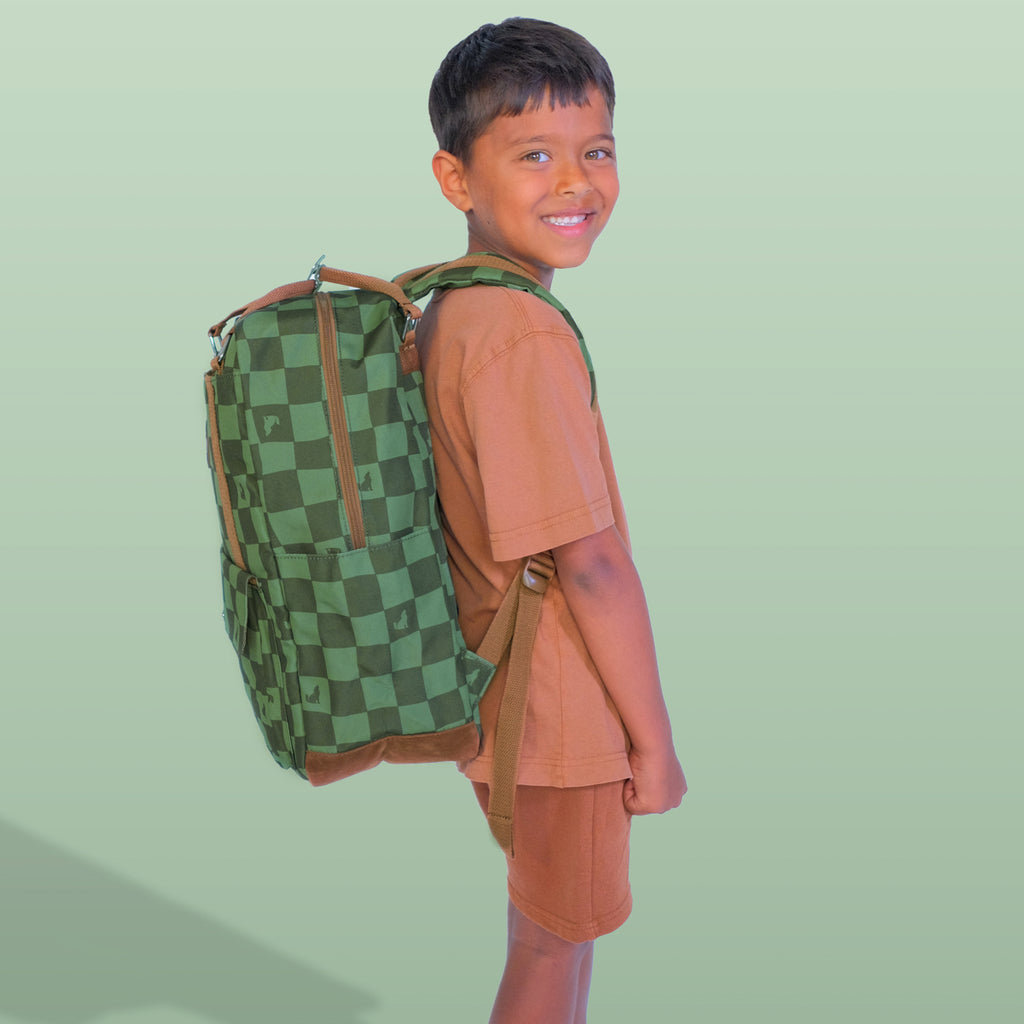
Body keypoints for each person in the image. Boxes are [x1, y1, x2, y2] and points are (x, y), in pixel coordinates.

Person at [417, 18, 686, 1023]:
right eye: (533, 155)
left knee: (549, 935)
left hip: (497, 686)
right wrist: (652, 743)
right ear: (456, 177)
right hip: (560, 712)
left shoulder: (451, 307)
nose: (574, 183)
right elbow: (593, 563)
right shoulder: (521, 333)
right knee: (550, 944)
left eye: (596, 151)